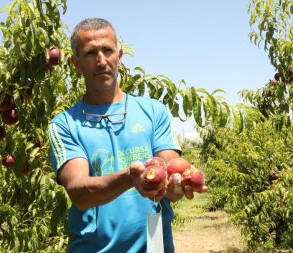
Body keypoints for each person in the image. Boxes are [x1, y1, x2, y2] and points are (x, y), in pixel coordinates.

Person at [48, 18, 199, 253]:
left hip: (156, 243)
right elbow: (79, 192)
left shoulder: (153, 111)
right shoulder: (65, 124)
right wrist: (129, 178)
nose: (101, 61)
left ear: (119, 56)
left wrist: (176, 184)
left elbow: (169, 169)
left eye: (107, 50)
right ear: (76, 63)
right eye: (90, 53)